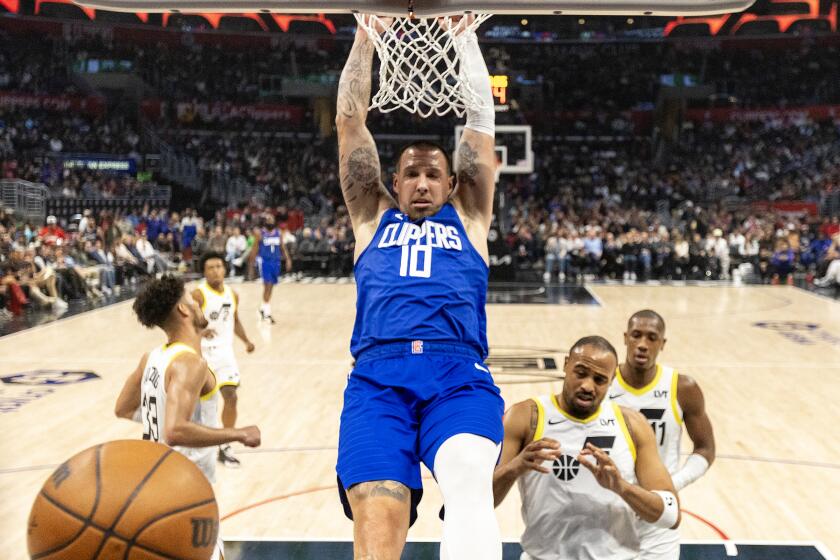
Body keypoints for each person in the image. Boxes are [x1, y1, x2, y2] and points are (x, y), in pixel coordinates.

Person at [334, 15, 503, 560]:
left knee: (470, 479)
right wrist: (365, 34)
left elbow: (480, 122)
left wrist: (463, 37)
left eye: (434, 173)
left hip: (457, 374)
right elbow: (350, 121)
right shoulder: (370, 219)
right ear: (394, 180)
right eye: (411, 173)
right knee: (377, 520)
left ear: (453, 183)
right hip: (377, 379)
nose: (423, 182)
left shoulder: (470, 217)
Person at [493, 336, 681, 560]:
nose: (587, 386)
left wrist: (621, 487)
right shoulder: (526, 416)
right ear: (565, 365)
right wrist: (515, 467)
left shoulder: (632, 424)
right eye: (580, 373)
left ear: (612, 381)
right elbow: (483, 501)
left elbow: (671, 515)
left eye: (600, 379)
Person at [115, 275, 261, 560]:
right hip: (184, 488)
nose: (197, 302)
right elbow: (176, 431)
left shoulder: (153, 357)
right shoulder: (190, 364)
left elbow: (122, 408)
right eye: (191, 300)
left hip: (156, 481)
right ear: (183, 310)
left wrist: (161, 412)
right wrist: (239, 433)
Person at [611, 310, 716, 560]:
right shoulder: (603, 383)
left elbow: (705, 449)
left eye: (651, 337)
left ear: (663, 343)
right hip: (609, 509)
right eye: (636, 336)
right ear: (625, 338)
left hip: (658, 515)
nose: (642, 345)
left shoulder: (682, 387)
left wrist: (671, 485)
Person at [192, 252, 256, 468]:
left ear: (225, 269)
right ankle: (203, 446)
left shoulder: (232, 294)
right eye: (210, 267)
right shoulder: (198, 295)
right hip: (203, 354)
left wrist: (246, 341)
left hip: (225, 354)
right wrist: (199, 334)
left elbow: (234, 320)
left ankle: (225, 444)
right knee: (204, 405)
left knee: (231, 396)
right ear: (204, 272)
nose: (216, 270)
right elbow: (185, 325)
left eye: (219, 266)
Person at [251, 215, 291, 324]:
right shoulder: (260, 234)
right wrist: (252, 265)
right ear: (264, 222)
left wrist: (288, 259)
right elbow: (254, 250)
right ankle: (267, 313)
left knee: (271, 287)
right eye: (268, 219)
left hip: (276, 262)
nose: (270, 221)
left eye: (272, 219)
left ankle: (263, 309)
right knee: (267, 286)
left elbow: (283, 247)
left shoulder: (278, 233)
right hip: (265, 262)